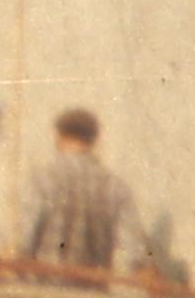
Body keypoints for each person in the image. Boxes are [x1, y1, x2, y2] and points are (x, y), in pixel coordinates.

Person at [19, 109, 137, 269]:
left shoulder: (41, 179)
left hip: (44, 281)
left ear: (58, 136)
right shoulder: (115, 187)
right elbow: (134, 250)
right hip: (93, 283)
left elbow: (23, 239)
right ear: (94, 140)